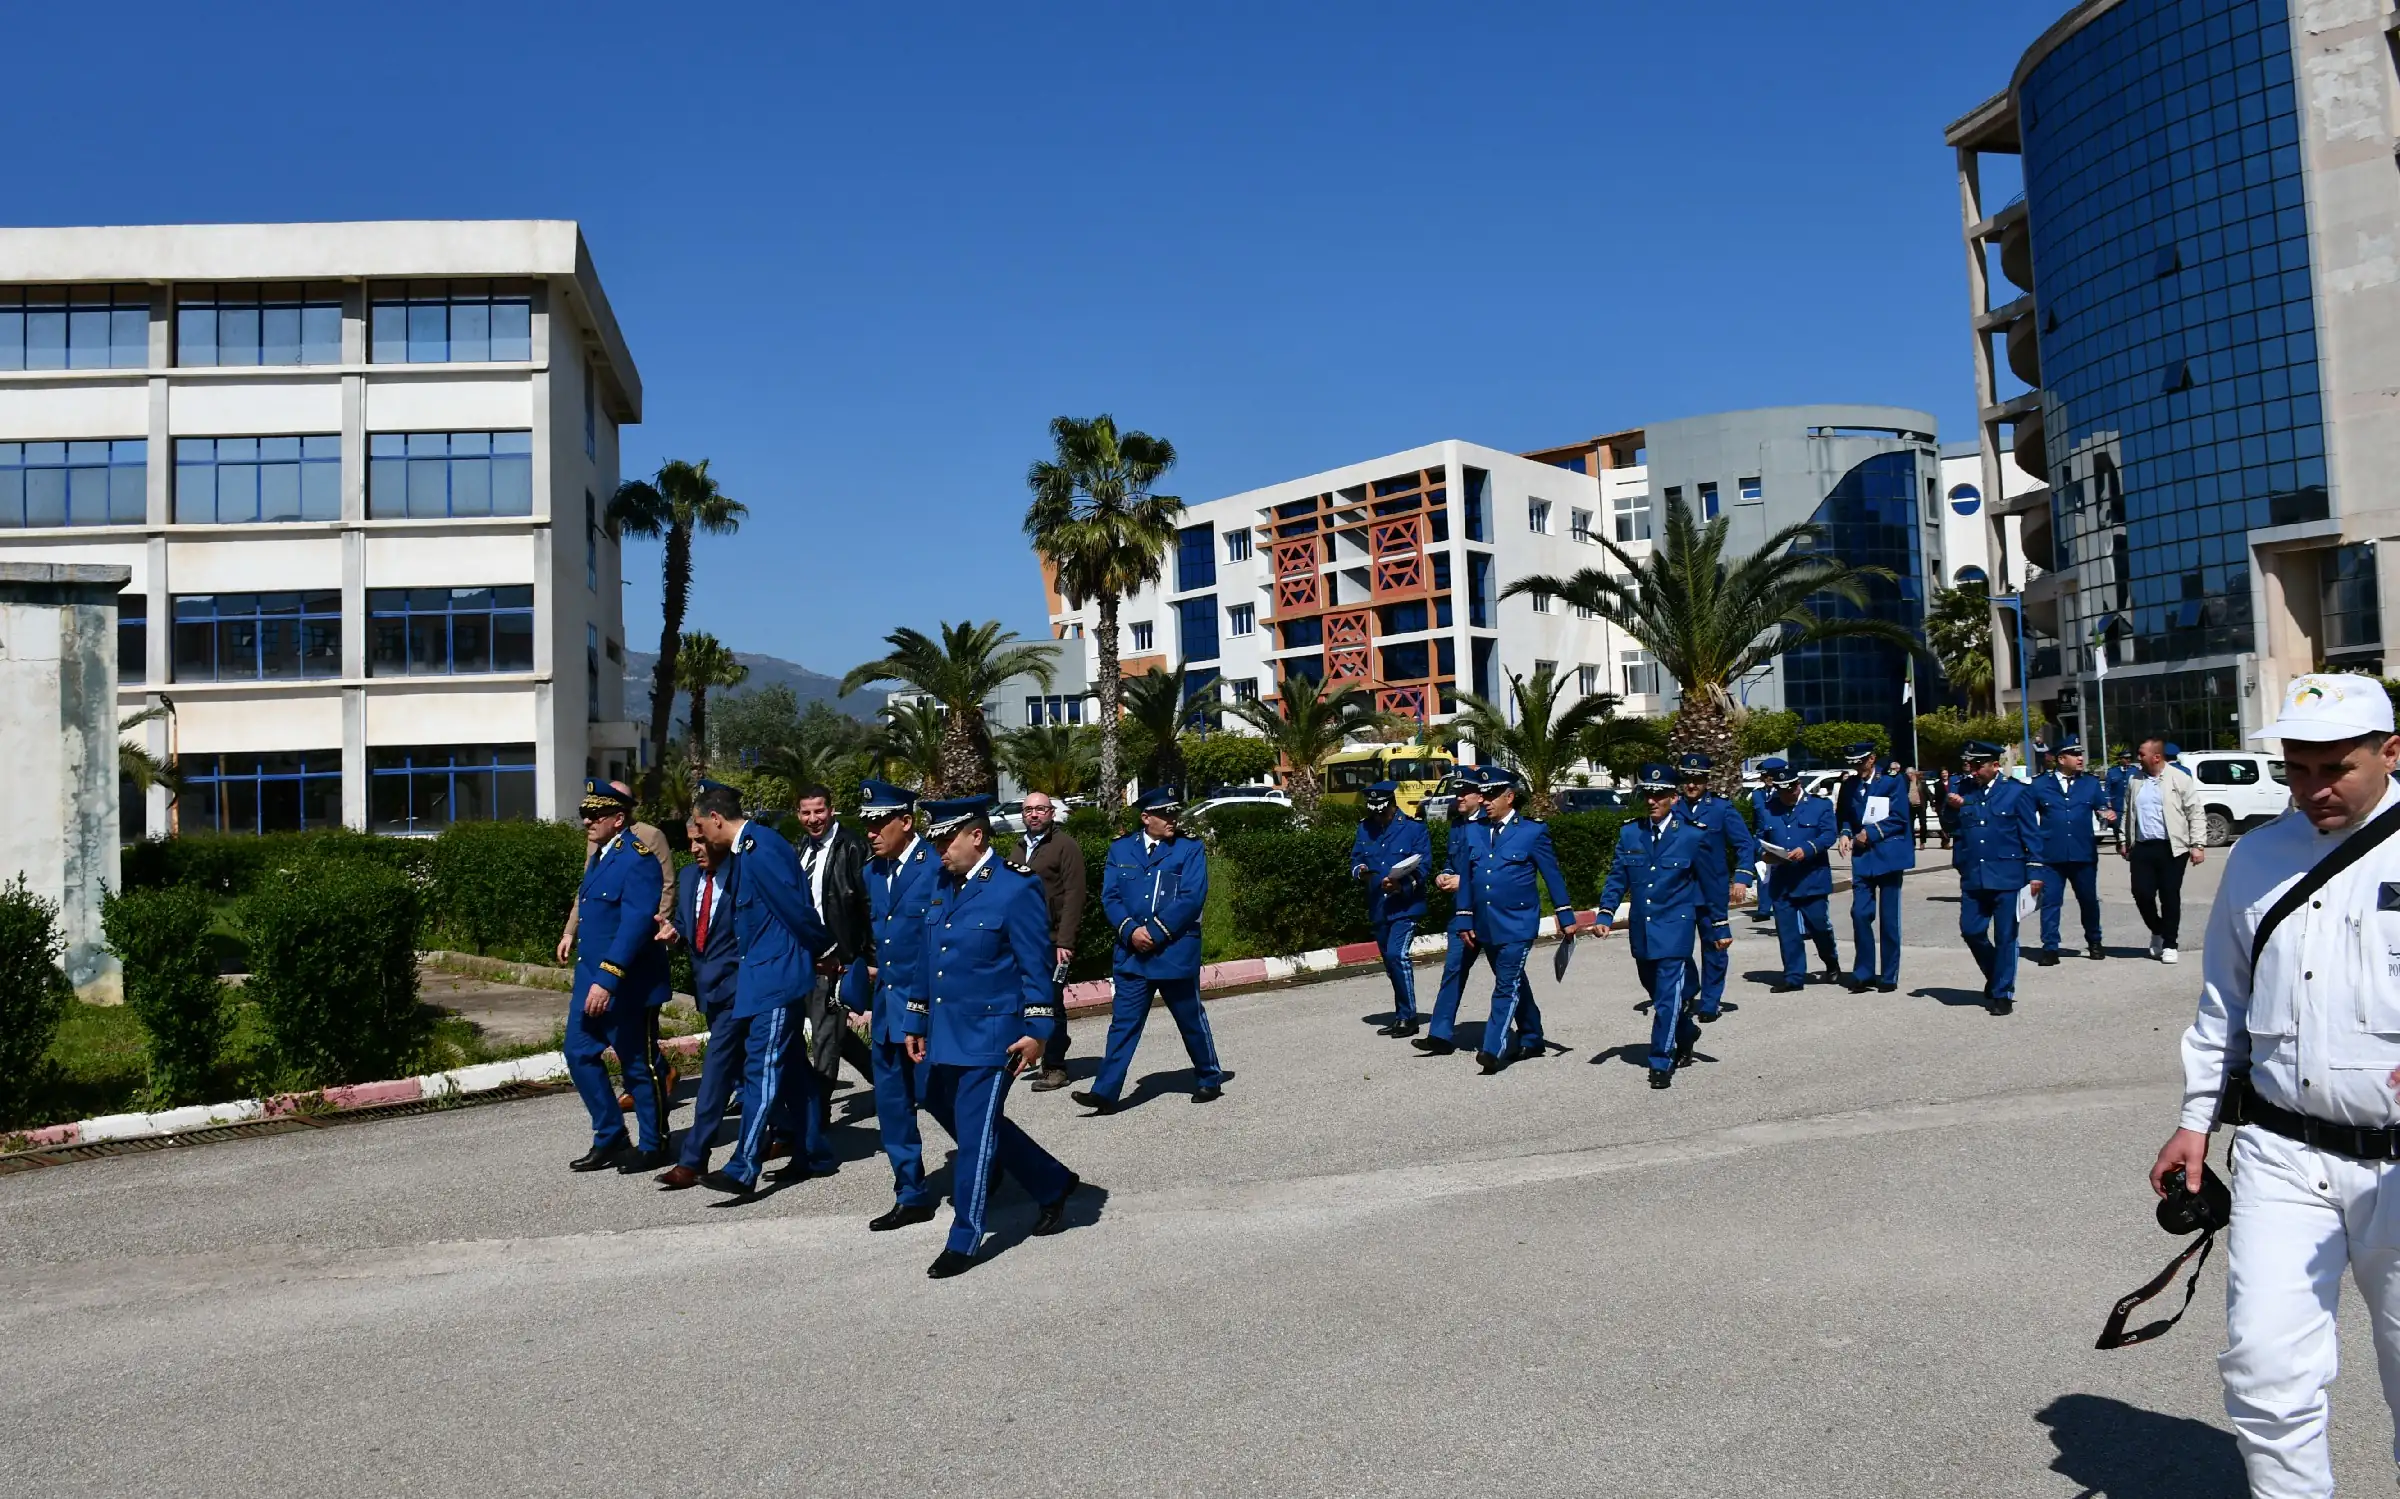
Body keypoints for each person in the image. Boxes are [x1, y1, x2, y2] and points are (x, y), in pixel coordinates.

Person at [2149, 673, 2400, 1499]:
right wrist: (2194, 1121)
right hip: (2283, 1150)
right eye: (2299, 767)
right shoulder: (2258, 856)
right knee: (2263, 1368)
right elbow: (2225, 995)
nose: (2314, 787)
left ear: (2390, 752)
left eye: (2337, 768)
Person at [908, 795, 1083, 1277]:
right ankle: (1051, 1182)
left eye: (947, 838)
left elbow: (1036, 965)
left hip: (994, 1037)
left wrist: (1039, 1031)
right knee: (953, 1112)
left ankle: (964, 1238)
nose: (939, 847)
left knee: (976, 1138)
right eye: (936, 838)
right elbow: (930, 957)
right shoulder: (943, 883)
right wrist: (916, 1020)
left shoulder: (1013, 888)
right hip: (948, 1033)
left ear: (977, 836)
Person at [690, 780, 837, 1201]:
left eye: (702, 826)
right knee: (790, 1070)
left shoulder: (761, 847)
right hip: (760, 977)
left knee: (762, 1070)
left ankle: (743, 1166)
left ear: (716, 818)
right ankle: (815, 1152)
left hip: (776, 977)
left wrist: (824, 947)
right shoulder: (745, 850)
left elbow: (793, 906)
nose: (700, 835)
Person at [1074, 788, 1226, 1112]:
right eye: (1165, 814)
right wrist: (1130, 931)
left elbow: (1191, 897)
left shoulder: (1189, 849)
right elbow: (1110, 897)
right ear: (1146, 818)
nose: (1173, 819)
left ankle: (1209, 1077)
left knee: (1190, 1020)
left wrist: (1155, 933)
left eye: (1175, 813)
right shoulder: (1121, 849)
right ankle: (1105, 1091)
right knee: (1123, 1025)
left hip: (1173, 952)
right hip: (1132, 955)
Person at [563, 781, 672, 1173]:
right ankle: (610, 1135)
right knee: (578, 1053)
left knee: (636, 1064)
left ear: (618, 818)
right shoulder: (601, 854)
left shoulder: (637, 858)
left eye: (595, 815)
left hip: (626, 982)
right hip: (589, 975)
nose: (588, 821)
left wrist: (608, 979)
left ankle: (655, 1142)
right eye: (585, 814)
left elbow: (635, 923)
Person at [1596, 763, 1717, 1089]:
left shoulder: (1692, 835)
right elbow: (1618, 876)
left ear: (1674, 798)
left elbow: (1711, 882)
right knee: (1656, 991)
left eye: (1659, 795)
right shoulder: (1630, 832)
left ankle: (1660, 1061)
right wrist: (1605, 913)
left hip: (1675, 928)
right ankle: (1687, 1032)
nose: (1652, 801)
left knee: (1665, 999)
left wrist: (1718, 925)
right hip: (1642, 929)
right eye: (1647, 794)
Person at [855, 779, 941, 1231]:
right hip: (887, 1008)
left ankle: (994, 1160)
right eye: (866, 823)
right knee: (892, 1105)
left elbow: (938, 945)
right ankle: (910, 1192)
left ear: (905, 822)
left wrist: (922, 1012)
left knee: (945, 1100)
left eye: (879, 822)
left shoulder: (935, 867)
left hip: (928, 1011)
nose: (871, 832)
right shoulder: (873, 872)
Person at [1459, 769, 1582, 1074]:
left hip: (1517, 923)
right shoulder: (1473, 831)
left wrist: (1565, 916)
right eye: (1483, 795)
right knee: (1514, 980)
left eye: (1491, 796)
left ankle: (1492, 1047)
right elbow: (1467, 880)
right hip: (1487, 924)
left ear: (1509, 797)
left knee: (1505, 984)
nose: (1485, 801)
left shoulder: (1531, 831)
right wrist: (1464, 918)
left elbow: (1552, 876)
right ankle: (1532, 1035)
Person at [655, 813, 742, 1189]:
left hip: (742, 990)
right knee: (765, 1069)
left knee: (716, 1074)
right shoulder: (691, 878)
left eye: (701, 841)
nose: (694, 849)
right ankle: (802, 1137)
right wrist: (675, 934)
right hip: (709, 992)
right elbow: (693, 932)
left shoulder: (744, 874)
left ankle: (694, 1158)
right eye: (690, 842)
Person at [1946, 741, 2043, 1015]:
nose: (1974, 771)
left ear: (1995, 766)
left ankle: (2002, 993)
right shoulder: (1963, 790)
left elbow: (2031, 835)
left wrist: (2035, 872)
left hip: (2007, 876)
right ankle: (1995, 974)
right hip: (1974, 875)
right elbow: (1949, 826)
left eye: (1979, 766)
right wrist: (1951, 808)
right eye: (1971, 766)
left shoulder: (2015, 792)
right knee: (1971, 930)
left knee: (2006, 936)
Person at [793, 784, 876, 1100]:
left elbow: (868, 906)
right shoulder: (800, 847)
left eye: (819, 811)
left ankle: (817, 1114)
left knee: (826, 1037)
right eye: (806, 812)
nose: (813, 819)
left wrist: (867, 959)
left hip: (838, 959)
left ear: (831, 809)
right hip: (803, 959)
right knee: (833, 1031)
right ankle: (883, 1078)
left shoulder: (853, 847)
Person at [1414, 770, 1497, 1058]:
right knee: (1453, 970)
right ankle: (1440, 1034)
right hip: (1461, 913)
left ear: (1481, 795)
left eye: (1465, 793)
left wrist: (1465, 881)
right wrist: (1445, 875)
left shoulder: (1492, 825)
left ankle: (1529, 1030)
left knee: (1508, 977)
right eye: (1457, 792)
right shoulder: (1458, 825)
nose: (1458, 797)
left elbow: (1498, 870)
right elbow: (1452, 861)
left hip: (1490, 913)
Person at [1670, 754, 1754, 1021]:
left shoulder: (1721, 808)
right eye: (1688, 779)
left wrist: (1741, 877)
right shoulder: (1673, 809)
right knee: (1677, 946)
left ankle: (1710, 1001)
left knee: (1715, 946)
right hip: (1680, 891)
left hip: (1711, 890)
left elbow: (1744, 844)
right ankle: (1690, 988)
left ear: (1706, 781)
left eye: (1697, 779)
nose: (1692, 785)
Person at [1352, 779, 1434, 1037]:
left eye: (1382, 811)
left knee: (1398, 955)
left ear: (1392, 805)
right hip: (1378, 905)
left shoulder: (1413, 829)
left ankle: (1409, 1018)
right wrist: (1361, 872)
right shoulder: (1365, 829)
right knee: (1390, 962)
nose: (1378, 816)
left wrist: (1401, 885)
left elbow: (1424, 867)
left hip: (1406, 905)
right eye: (1373, 811)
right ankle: (1401, 1014)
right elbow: (1356, 859)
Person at [1751, 758, 1840, 992]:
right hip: (1783, 881)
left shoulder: (1819, 806)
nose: (1786, 795)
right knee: (1787, 931)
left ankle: (1831, 961)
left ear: (1798, 785)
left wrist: (1808, 848)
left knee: (1819, 926)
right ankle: (1793, 976)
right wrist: (1763, 853)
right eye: (1781, 791)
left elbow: (1829, 834)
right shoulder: (1770, 807)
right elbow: (1758, 837)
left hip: (1812, 877)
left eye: (1789, 789)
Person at [1017, 791, 1086, 1091]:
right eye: (1029, 810)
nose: (1034, 814)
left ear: (1051, 814)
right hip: (1023, 942)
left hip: (1053, 941)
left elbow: (1074, 896)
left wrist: (1065, 942)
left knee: (1052, 1003)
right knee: (1025, 1001)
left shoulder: (1064, 846)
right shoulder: (1018, 848)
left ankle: (1055, 1065)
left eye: (1040, 809)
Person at [2028, 735, 2116, 966]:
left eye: (2081, 754)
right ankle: (2050, 948)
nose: (2080, 758)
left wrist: (2107, 815)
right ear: (2060, 759)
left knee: (2088, 900)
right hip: (2051, 855)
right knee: (2051, 903)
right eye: (2074, 754)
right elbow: (2027, 818)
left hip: (2083, 854)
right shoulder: (2040, 785)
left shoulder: (2090, 783)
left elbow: (2102, 807)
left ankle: (2094, 942)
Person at [2119, 735, 2208, 963]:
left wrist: (2197, 845)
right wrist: (2123, 839)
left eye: (2141, 754)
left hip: (2172, 848)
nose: (2137, 758)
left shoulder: (2179, 779)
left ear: (2156, 757)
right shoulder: (2135, 780)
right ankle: (2157, 930)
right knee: (2141, 893)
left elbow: (2195, 812)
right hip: (2143, 846)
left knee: (2169, 895)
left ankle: (2170, 943)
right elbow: (2128, 811)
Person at [1836, 742, 1914, 993]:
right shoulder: (1849, 785)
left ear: (1872, 759)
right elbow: (1845, 815)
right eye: (1854, 763)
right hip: (1862, 857)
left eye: (1861, 762)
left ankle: (1889, 974)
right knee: (1859, 913)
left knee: (1889, 920)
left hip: (1888, 854)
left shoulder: (1891, 780)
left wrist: (1870, 833)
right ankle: (1864, 971)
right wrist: (1846, 833)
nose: (1857, 767)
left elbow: (1899, 818)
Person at [2105, 746, 2137, 831]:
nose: (2128, 760)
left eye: (2130, 758)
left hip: (2131, 806)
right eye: (2126, 758)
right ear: (2120, 759)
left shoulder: (2135, 771)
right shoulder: (2112, 772)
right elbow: (2107, 789)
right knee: (2118, 830)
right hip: (2117, 807)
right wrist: (2108, 803)